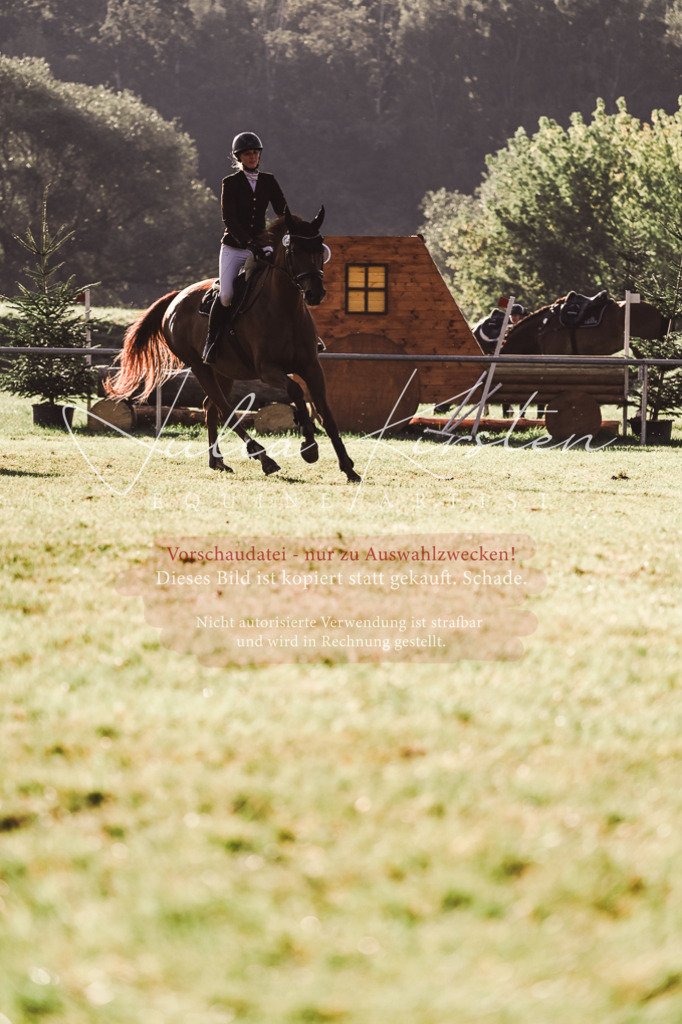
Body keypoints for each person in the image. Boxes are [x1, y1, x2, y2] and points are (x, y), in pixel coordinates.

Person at [203, 131, 288, 364]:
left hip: (261, 247)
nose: (252, 157)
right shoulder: (230, 183)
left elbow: (282, 211)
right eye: (248, 154)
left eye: (255, 153)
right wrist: (248, 243)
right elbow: (229, 219)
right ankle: (212, 340)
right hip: (234, 247)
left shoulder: (268, 181)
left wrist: (289, 231)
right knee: (228, 294)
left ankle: (300, 336)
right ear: (239, 157)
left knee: (282, 283)